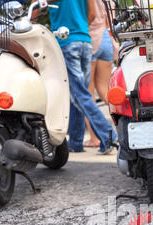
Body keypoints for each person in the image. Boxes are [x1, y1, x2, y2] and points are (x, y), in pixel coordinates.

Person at [35, 0, 117, 154]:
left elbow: (36, 8)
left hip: (66, 41)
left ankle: (108, 136)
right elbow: (92, 14)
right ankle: (76, 142)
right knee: (77, 94)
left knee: (80, 94)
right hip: (85, 40)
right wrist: (79, 28)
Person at [84, 0, 118, 148]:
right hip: (106, 38)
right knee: (105, 91)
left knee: (88, 92)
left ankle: (94, 138)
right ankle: (123, 126)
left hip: (91, 37)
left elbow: (89, 16)